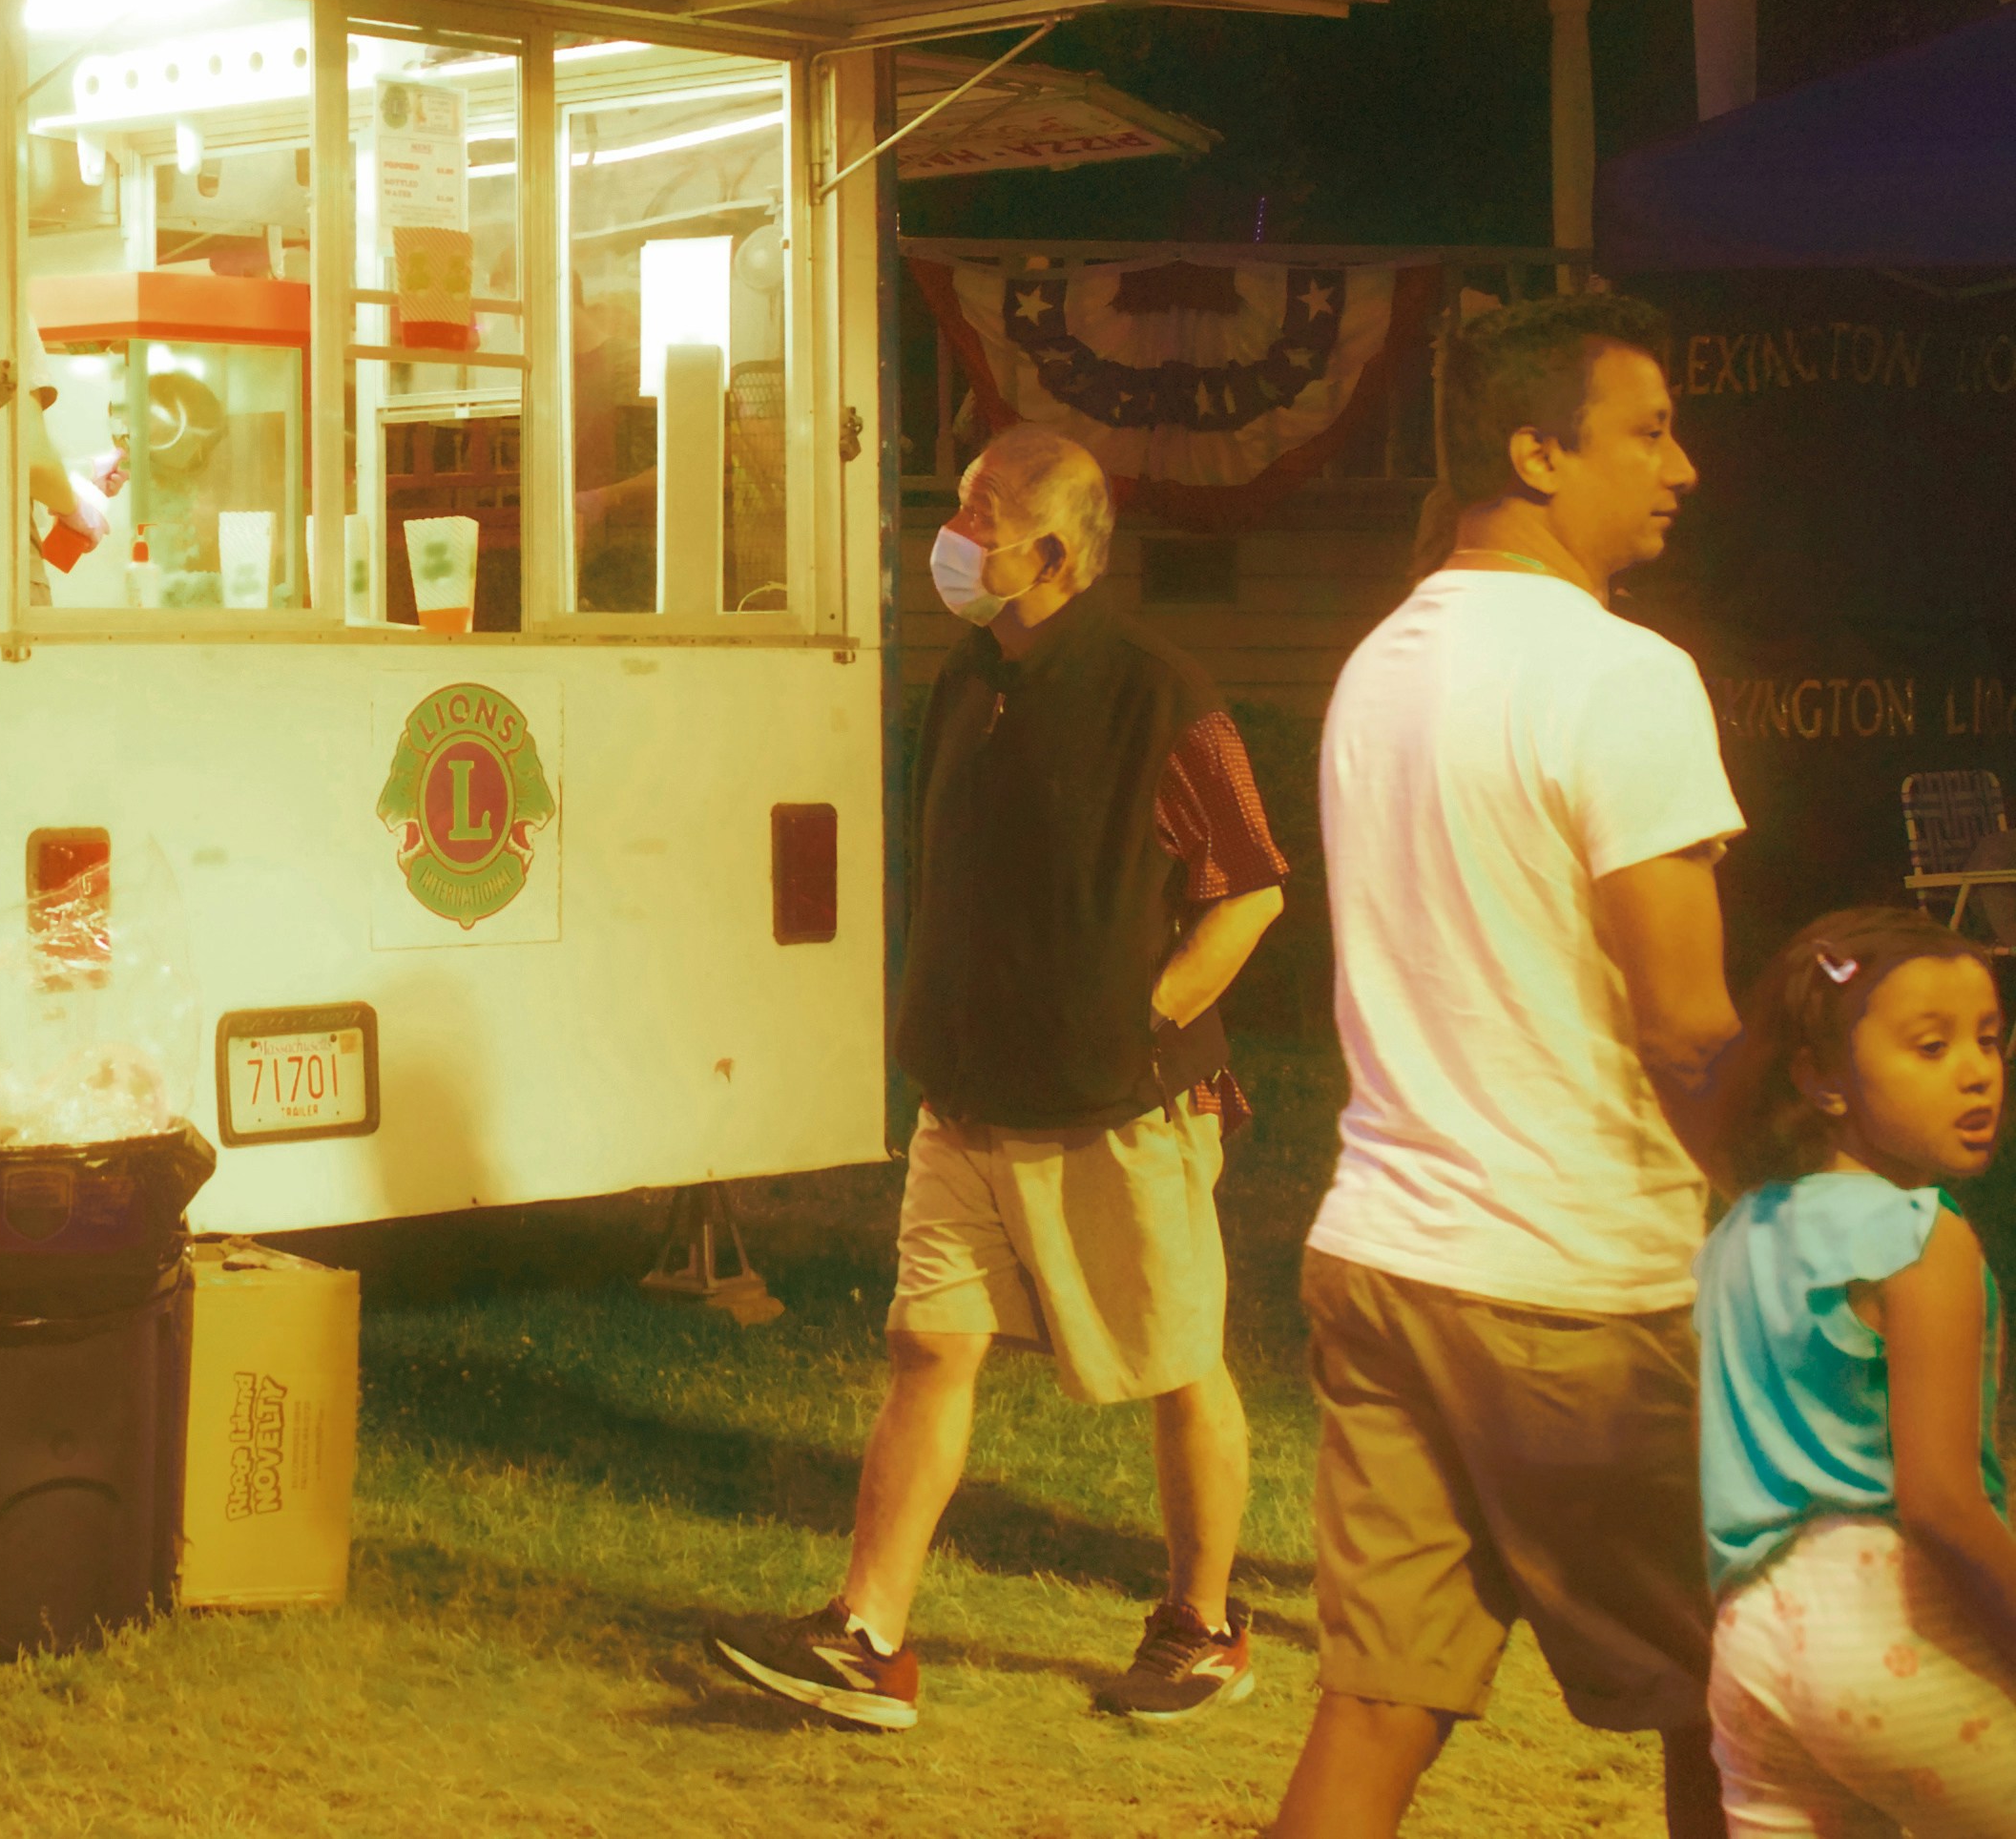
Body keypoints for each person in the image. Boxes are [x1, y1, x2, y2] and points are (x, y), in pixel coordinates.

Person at [715, 425, 1288, 1730]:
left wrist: (1137, 1019)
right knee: (929, 1342)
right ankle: (868, 1633)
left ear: (1050, 549)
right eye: (961, 501)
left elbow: (1247, 890)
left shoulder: (1161, 689)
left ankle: (1202, 1624)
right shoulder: (969, 677)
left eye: (981, 509)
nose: (955, 530)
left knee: (1180, 1357)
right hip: (966, 1097)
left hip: (1117, 1102)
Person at [1266, 292, 1740, 1839]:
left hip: (1387, 1257)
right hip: (1578, 1288)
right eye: (1648, 431)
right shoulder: (1625, 677)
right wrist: (1795, 1190)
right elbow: (1681, 1015)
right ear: (1538, 451)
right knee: (1741, 1693)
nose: (1682, 466)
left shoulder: (1376, 668)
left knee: (1381, 1703)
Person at [1698, 906, 2016, 1833]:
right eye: (1930, 1046)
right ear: (1821, 1079)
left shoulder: (1739, 1232)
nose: (1976, 1073)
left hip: (1750, 1642)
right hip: (1892, 1629)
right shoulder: (1921, 1235)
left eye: (1991, 1041)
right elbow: (1941, 1506)